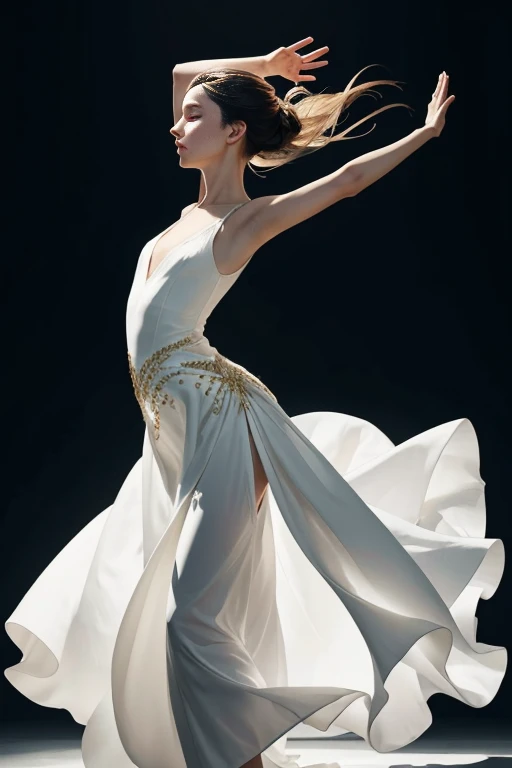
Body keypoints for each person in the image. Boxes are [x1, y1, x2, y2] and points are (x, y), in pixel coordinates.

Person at [5, 37, 506, 768]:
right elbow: (182, 73)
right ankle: (241, 755)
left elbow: (343, 183)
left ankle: (238, 761)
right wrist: (263, 68)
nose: (176, 125)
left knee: (188, 615)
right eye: (180, 117)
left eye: (195, 117)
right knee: (177, 607)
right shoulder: (188, 211)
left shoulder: (242, 222)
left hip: (222, 425)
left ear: (232, 131)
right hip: (171, 433)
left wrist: (423, 135)